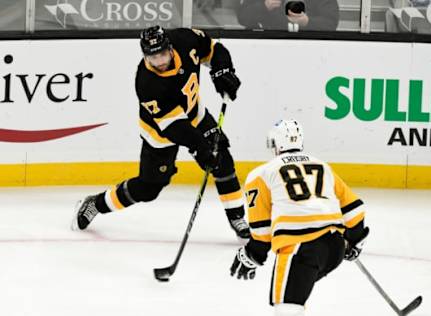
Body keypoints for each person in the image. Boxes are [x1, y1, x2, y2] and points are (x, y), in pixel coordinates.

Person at [71, 26, 250, 240]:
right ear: (145, 55)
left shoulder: (185, 39)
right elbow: (175, 128)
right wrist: (201, 148)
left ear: (170, 47)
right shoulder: (147, 83)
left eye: (163, 54)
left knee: (223, 160)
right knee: (149, 189)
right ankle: (96, 204)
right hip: (161, 134)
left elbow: (214, 49)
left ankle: (237, 217)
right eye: (153, 57)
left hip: (196, 114)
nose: (160, 62)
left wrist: (223, 71)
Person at [230, 120, 369, 315]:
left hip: (300, 249)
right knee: (297, 294)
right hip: (334, 247)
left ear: (276, 145)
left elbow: (262, 233)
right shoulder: (322, 166)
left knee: (287, 309)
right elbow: (355, 210)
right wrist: (353, 241)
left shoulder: (261, 174)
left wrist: (251, 256)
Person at [236, 0, 339, 32]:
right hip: (266, 48)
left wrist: (307, 22)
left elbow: (331, 24)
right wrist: (264, 6)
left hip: (307, 50)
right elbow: (243, 17)